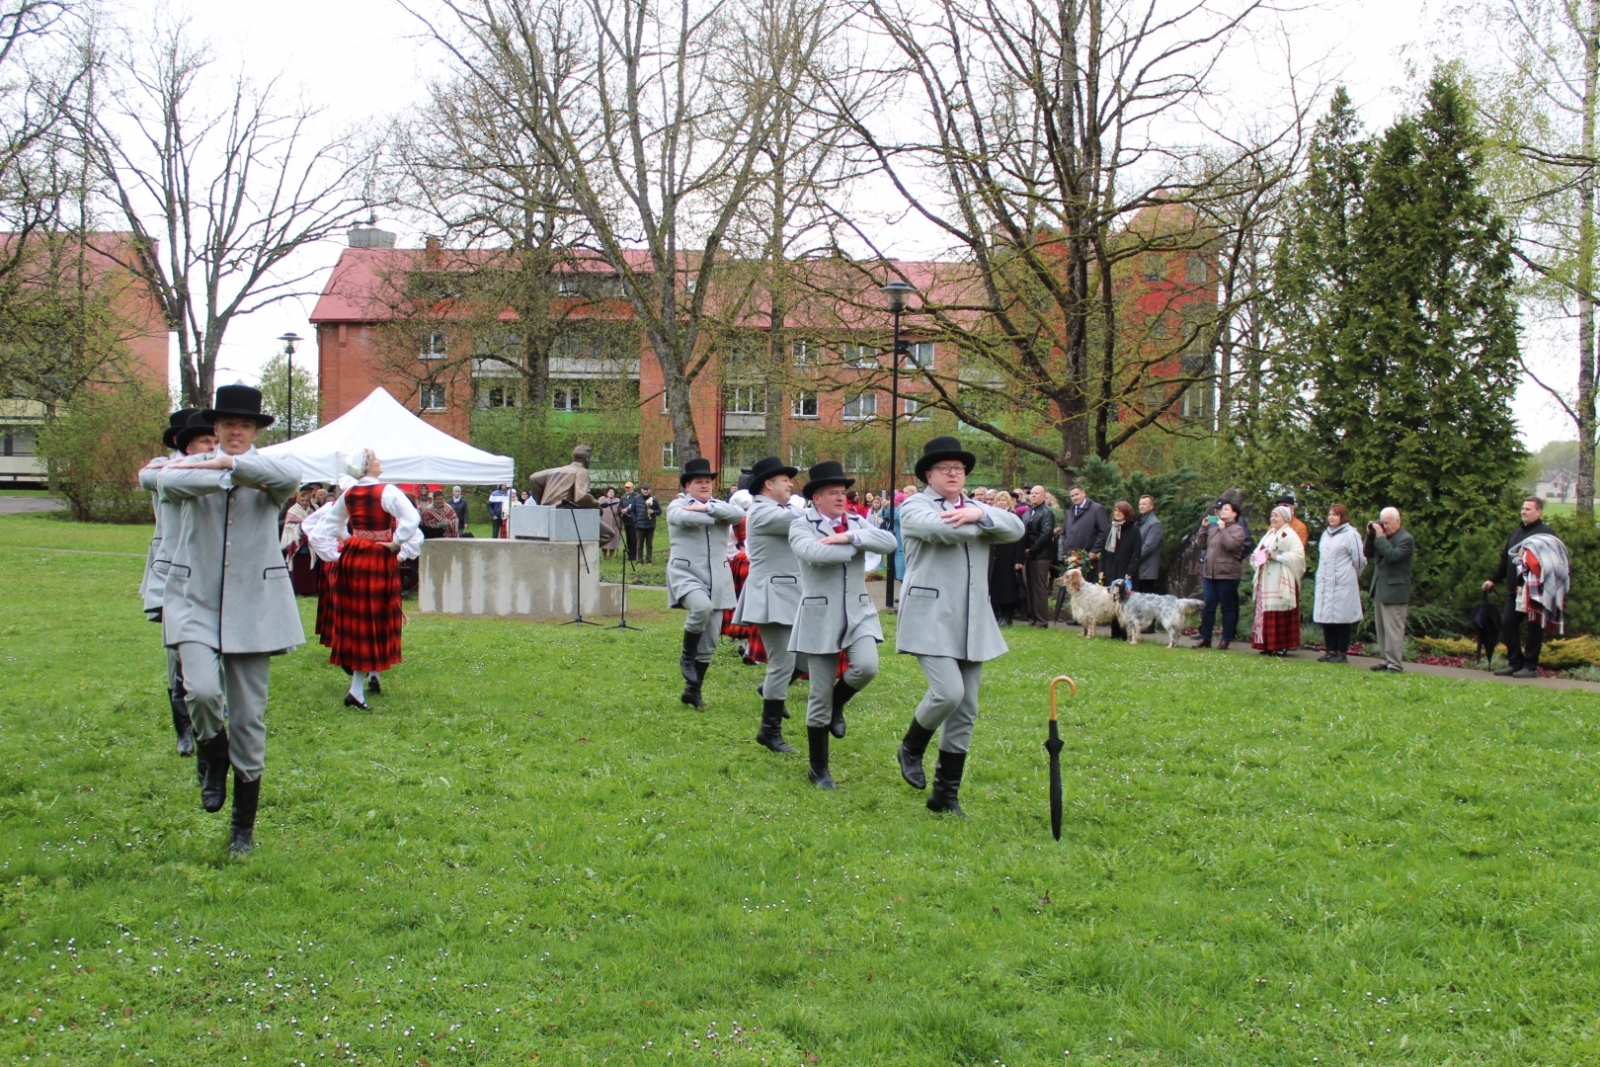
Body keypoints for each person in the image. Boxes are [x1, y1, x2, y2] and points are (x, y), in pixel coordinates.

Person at [157, 384, 303, 855]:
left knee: (248, 719)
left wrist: (233, 466)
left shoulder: (272, 472)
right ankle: (210, 748)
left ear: (255, 431)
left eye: (245, 425)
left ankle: (243, 830)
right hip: (193, 599)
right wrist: (222, 469)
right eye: (227, 425)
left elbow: (289, 478)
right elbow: (161, 481)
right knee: (199, 690)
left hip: (254, 608)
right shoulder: (189, 469)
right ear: (214, 429)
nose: (236, 431)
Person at [894, 437, 1026, 817]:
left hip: (972, 618)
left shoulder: (976, 509)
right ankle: (911, 746)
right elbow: (947, 530)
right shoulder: (914, 506)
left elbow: (1015, 528)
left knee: (965, 708)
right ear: (928, 475)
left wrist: (981, 515)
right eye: (945, 468)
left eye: (959, 468)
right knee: (947, 693)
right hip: (930, 615)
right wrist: (979, 519)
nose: (954, 474)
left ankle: (945, 796)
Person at [788, 461, 898, 789]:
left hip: (859, 611)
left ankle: (839, 705)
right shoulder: (800, 523)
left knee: (867, 667)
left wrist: (849, 536)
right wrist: (858, 544)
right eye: (833, 493)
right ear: (816, 498)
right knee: (818, 694)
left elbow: (889, 543)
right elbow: (812, 554)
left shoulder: (856, 522)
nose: (841, 498)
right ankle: (818, 768)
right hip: (820, 615)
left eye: (843, 493)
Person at [307, 450, 423, 709]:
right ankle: (359, 688)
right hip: (377, 558)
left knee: (357, 620)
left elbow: (327, 529)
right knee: (373, 619)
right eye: (377, 458)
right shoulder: (387, 492)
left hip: (353, 558)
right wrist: (395, 542)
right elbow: (413, 518)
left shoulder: (349, 494)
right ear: (368, 466)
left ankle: (359, 687)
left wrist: (347, 544)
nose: (381, 460)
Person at [137, 408, 210, 757]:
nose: (208, 445)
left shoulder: (220, 466)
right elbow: (149, 477)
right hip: (170, 569)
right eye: (201, 439)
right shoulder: (161, 467)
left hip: (208, 569)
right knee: (175, 652)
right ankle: (183, 726)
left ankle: (209, 714)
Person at [731, 457, 805, 754]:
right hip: (771, 596)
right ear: (768, 484)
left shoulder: (778, 510)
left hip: (790, 594)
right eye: (786, 480)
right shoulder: (762, 512)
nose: (791, 484)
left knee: (806, 659)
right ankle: (769, 730)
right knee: (783, 661)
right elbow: (805, 520)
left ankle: (772, 690)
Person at [666, 458, 746, 708]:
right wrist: (713, 514)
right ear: (687, 485)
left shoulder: (717, 505)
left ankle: (693, 690)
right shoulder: (677, 505)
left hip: (718, 578)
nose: (705, 485)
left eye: (708, 481)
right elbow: (682, 518)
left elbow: (739, 514)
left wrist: (707, 509)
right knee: (701, 608)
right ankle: (686, 657)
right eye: (699, 481)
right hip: (686, 573)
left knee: (711, 639)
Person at [1484, 497, 1567, 678]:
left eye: (1528, 509)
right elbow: (1505, 560)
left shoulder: (1546, 535)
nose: (1524, 511)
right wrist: (1493, 579)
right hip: (1515, 591)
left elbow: (1554, 564)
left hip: (1536, 591)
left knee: (1534, 628)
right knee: (1507, 624)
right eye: (1523, 508)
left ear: (1539, 512)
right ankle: (1515, 663)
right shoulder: (1516, 533)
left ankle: (1530, 666)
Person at [1250, 505, 1307, 656]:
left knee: (1280, 610)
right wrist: (1259, 557)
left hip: (1281, 579)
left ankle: (1281, 645)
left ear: (1285, 519)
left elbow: (1299, 557)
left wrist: (1278, 557)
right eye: (1272, 516)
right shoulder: (1270, 534)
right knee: (1267, 610)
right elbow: (1258, 551)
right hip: (1267, 578)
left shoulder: (1290, 535)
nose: (1273, 519)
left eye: (1277, 516)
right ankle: (1268, 644)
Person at [1312, 503, 1365, 663]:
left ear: (1343, 517)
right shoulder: (1325, 535)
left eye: (1335, 514)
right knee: (1327, 618)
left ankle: (1341, 652)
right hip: (1325, 582)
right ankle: (1330, 650)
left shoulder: (1351, 534)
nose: (1331, 517)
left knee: (1341, 619)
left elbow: (1360, 560)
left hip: (1342, 583)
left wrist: (1350, 576)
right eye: (1329, 514)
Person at [1364, 507, 1414, 672]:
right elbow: (1368, 553)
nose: (1384, 527)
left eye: (1387, 523)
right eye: (1382, 523)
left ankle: (1395, 664)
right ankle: (1385, 660)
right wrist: (1370, 536)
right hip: (1380, 586)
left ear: (1397, 521)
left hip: (1395, 590)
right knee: (1382, 627)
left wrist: (1380, 537)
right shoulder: (1383, 537)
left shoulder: (1406, 539)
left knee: (1394, 629)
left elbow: (1392, 556)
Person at [1195, 499, 1247, 649]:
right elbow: (1201, 544)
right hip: (1210, 573)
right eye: (1221, 509)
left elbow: (1231, 545)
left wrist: (1223, 529)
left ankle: (1225, 639)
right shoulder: (1213, 528)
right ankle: (1205, 638)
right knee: (1208, 606)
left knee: (1227, 608)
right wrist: (1204, 529)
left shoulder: (1237, 529)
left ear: (1234, 513)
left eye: (1226, 509)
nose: (1222, 511)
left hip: (1227, 574)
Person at [987, 490, 1027, 626]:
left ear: (1009, 502)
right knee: (995, 587)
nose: (1001, 503)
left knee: (1008, 587)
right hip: (995, 556)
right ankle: (996, 615)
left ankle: (1007, 616)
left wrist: (1019, 560)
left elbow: (1021, 539)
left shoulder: (1014, 517)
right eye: (999, 500)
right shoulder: (992, 517)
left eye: (1004, 500)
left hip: (1010, 556)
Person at [1058, 484, 1109, 584]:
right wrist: (1064, 552)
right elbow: (1065, 533)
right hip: (1071, 557)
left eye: (1077, 494)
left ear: (1084, 493)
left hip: (1087, 558)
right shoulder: (1070, 512)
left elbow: (1103, 531)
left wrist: (1094, 551)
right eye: (1072, 496)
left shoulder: (1096, 509)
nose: (1075, 498)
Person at [1021, 483, 1056, 627]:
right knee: (1030, 586)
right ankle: (1033, 617)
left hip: (1041, 555)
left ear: (1044, 496)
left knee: (1039, 587)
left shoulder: (1047, 512)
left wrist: (1032, 550)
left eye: (1037, 493)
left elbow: (1046, 535)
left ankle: (1042, 620)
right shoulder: (1029, 511)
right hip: (1029, 554)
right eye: (1032, 493)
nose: (1033, 495)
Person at [1135, 494, 1164, 594]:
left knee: (1146, 600)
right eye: (1140, 504)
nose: (1141, 506)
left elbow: (1148, 547)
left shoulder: (1155, 524)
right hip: (1137, 568)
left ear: (1151, 506)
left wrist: (1133, 558)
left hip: (1146, 571)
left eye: (1144, 504)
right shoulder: (1139, 522)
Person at [630, 484, 662, 563]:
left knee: (649, 545)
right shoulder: (636, 499)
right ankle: (639, 561)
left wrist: (653, 512)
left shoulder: (654, 499)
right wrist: (635, 520)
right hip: (640, 525)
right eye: (644, 489)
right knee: (639, 545)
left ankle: (649, 561)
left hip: (650, 525)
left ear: (649, 490)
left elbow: (659, 511)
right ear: (641, 490)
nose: (645, 491)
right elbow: (632, 510)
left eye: (647, 489)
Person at [597, 487, 623, 560]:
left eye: (613, 492)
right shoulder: (602, 500)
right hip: (604, 522)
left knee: (614, 540)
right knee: (605, 539)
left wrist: (621, 525)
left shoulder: (617, 501)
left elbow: (620, 512)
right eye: (610, 492)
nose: (611, 493)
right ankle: (604, 556)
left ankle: (611, 556)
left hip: (615, 523)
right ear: (606, 493)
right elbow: (597, 509)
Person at [620, 481, 640, 561]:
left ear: (632, 487)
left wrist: (628, 509)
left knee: (633, 538)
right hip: (626, 520)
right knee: (628, 539)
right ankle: (630, 555)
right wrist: (621, 510)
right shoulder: (623, 497)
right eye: (626, 487)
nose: (627, 489)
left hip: (633, 520)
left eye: (629, 487)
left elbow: (637, 506)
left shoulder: (636, 496)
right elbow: (620, 506)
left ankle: (634, 555)